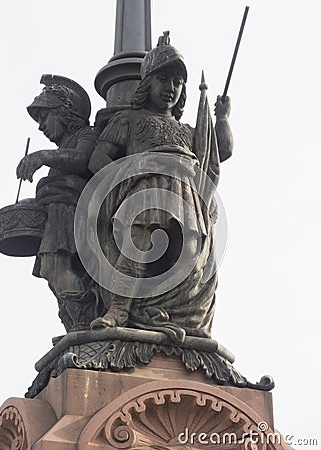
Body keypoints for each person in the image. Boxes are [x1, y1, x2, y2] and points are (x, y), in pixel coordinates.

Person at [87, 33, 233, 341]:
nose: (170, 88)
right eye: (163, 79)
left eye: (178, 82)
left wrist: (221, 118)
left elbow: (221, 150)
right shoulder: (129, 119)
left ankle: (183, 317)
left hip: (186, 198)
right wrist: (136, 168)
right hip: (146, 190)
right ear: (147, 82)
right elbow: (98, 159)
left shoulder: (189, 131)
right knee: (136, 247)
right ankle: (119, 311)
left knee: (191, 258)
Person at [16, 74, 101, 332]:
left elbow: (80, 159)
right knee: (51, 271)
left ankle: (84, 323)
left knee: (55, 266)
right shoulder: (62, 148)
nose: (41, 126)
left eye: (44, 117)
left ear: (64, 112)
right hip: (57, 212)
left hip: (70, 212)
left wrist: (43, 156)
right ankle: (76, 325)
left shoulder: (86, 134)